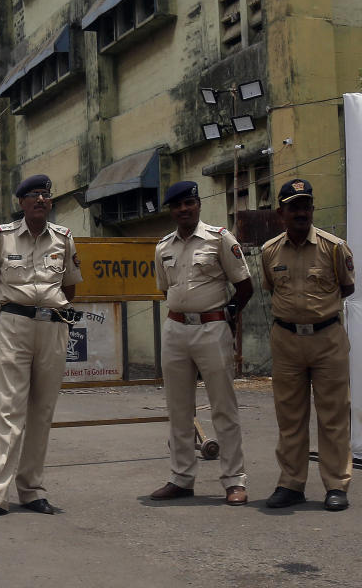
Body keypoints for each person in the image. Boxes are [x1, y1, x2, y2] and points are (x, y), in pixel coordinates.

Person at [0, 174, 83, 519]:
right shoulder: (2, 237)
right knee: (9, 408)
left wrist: (47, 309)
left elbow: (70, 288)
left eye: (46, 195)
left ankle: (32, 489)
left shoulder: (64, 239)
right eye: (33, 195)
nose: (40, 200)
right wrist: (18, 309)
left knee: (42, 409)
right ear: (21, 202)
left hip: (52, 327)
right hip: (14, 326)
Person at [150, 180, 253, 506]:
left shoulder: (220, 238)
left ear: (198, 204)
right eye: (177, 205)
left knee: (223, 406)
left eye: (189, 203)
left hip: (212, 328)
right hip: (176, 330)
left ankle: (234, 480)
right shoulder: (163, 247)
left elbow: (244, 285)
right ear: (172, 210)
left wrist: (228, 316)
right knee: (179, 408)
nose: (184, 209)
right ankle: (181, 478)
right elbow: (167, 291)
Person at [260, 178, 354, 511]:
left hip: (327, 338)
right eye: (293, 207)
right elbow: (272, 287)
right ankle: (291, 484)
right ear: (280, 213)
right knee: (290, 416)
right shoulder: (269, 251)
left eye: (305, 205)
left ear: (312, 208)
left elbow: (346, 287)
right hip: (286, 341)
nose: (301, 212)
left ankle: (336, 485)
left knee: (333, 415)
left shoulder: (334, 247)